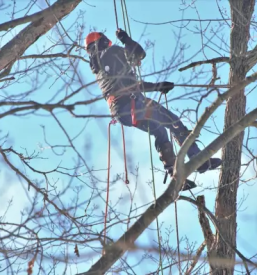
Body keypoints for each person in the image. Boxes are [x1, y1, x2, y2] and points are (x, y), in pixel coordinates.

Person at [85, 29, 222, 191]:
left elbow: (128, 86)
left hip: (123, 113)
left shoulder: (98, 69)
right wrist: (126, 39)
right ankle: (199, 160)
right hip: (132, 104)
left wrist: (157, 87)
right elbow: (139, 54)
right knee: (172, 121)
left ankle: (175, 175)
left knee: (159, 130)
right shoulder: (113, 52)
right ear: (102, 41)